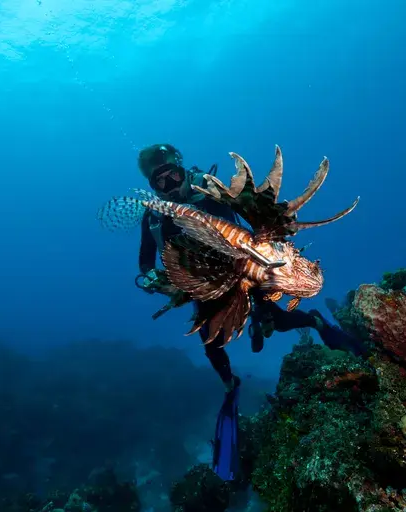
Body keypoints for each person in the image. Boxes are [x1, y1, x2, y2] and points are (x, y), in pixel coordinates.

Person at [135, 144, 365, 480]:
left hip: (247, 265)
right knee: (210, 341)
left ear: (182, 169)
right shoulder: (155, 216)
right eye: (160, 181)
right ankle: (231, 385)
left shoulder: (209, 190)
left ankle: (311, 320)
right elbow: (145, 262)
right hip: (207, 281)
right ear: (153, 186)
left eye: (173, 175)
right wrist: (150, 279)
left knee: (277, 319)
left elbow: (249, 216)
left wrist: (270, 231)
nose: (169, 184)